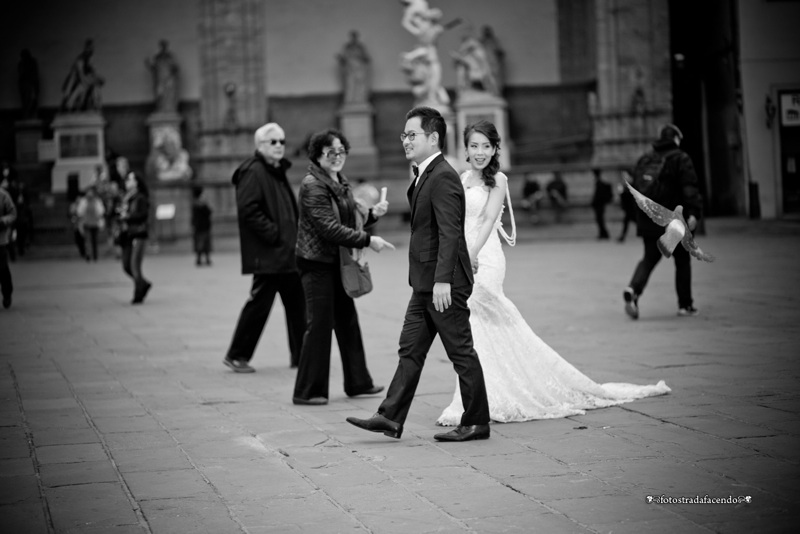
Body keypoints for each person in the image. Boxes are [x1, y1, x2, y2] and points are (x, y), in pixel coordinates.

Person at [437, 120, 670, 426]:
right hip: (463, 259)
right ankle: (483, 396)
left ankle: (481, 398)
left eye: (486, 146)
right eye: (474, 146)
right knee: (476, 328)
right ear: (465, 149)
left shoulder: (499, 180)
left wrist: (471, 254)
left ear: (495, 149)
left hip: (486, 257)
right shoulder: (461, 177)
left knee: (476, 320)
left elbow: (490, 218)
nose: (479, 152)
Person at [347, 106, 491, 442]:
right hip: (424, 283)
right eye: (404, 135)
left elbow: (450, 232)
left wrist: (443, 280)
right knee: (410, 350)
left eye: (412, 135)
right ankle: (389, 417)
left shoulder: (442, 176)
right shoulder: (425, 173)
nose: (406, 141)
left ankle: (477, 422)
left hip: (443, 284)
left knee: (460, 352)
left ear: (433, 137)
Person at [292, 129, 395, 405]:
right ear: (318, 155)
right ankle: (308, 391)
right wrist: (368, 240)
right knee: (320, 325)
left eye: (341, 151)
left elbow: (349, 219)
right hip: (316, 263)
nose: (337, 157)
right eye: (330, 152)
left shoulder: (339, 180)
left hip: (337, 260)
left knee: (348, 322)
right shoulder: (313, 184)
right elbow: (328, 228)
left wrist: (372, 215)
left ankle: (358, 382)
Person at [223, 123, 306, 373]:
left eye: (282, 141)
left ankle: (301, 356)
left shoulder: (274, 170)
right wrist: (276, 234)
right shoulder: (253, 171)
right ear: (260, 146)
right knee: (259, 305)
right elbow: (249, 210)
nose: (280, 145)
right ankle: (237, 355)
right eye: (273, 142)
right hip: (270, 254)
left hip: (287, 253)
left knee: (298, 304)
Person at [623, 124, 703, 319]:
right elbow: (689, 187)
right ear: (676, 138)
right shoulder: (680, 158)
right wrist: (694, 213)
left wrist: (638, 218)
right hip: (673, 220)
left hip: (649, 219)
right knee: (682, 261)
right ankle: (685, 305)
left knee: (649, 258)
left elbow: (634, 191)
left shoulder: (645, 159)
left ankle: (633, 290)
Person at [119, 172, 152, 304]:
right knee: (126, 265)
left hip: (138, 235)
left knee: (134, 266)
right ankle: (143, 283)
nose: (127, 182)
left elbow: (143, 215)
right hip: (127, 235)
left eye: (130, 179)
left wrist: (127, 217)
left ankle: (138, 293)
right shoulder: (126, 198)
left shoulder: (140, 198)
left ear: (137, 183)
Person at [61, 39, 104, 112]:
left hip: (83, 81)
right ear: (86, 48)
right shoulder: (80, 60)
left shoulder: (89, 61)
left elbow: (93, 73)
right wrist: (88, 81)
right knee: (83, 86)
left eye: (92, 48)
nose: (91, 50)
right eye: (90, 48)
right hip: (76, 81)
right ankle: (70, 103)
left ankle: (96, 106)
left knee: (95, 87)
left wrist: (97, 79)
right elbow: (80, 75)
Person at [146, 40, 179, 113]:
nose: (163, 47)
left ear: (166, 47)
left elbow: (175, 68)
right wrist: (148, 64)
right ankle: (160, 110)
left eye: (164, 46)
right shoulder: (157, 57)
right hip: (160, 79)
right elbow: (154, 69)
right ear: (160, 47)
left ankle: (170, 110)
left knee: (169, 95)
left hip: (169, 79)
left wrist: (171, 77)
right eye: (162, 46)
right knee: (159, 95)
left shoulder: (170, 57)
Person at [76, 186, 105, 261]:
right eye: (88, 192)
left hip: (95, 223)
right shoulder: (84, 201)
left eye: (91, 192)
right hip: (86, 223)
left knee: (94, 240)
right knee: (87, 240)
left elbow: (101, 211)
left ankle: (95, 255)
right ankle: (88, 255)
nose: (90, 194)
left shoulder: (97, 201)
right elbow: (79, 212)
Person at [0, 185, 16, 309]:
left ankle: (7, 293)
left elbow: (12, 213)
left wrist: (3, 221)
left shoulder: (3, 195)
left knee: (2, 268)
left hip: (0, 240)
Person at [191, 185, 213, 266]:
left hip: (200, 226)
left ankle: (201, 259)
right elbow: (209, 212)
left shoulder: (195, 204)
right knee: (204, 243)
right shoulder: (201, 204)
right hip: (203, 226)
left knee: (201, 243)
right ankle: (203, 259)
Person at [590, 170, 613, 240]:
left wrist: (594, 202)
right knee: (600, 220)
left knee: (600, 220)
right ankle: (603, 233)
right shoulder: (599, 182)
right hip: (600, 204)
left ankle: (604, 233)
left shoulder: (599, 183)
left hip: (599, 204)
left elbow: (598, 195)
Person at [617, 171, 637, 242]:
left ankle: (622, 236)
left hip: (632, 207)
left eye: (625, 175)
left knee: (632, 220)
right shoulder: (624, 185)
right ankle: (622, 236)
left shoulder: (633, 184)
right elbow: (623, 197)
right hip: (628, 207)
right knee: (628, 221)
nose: (624, 177)